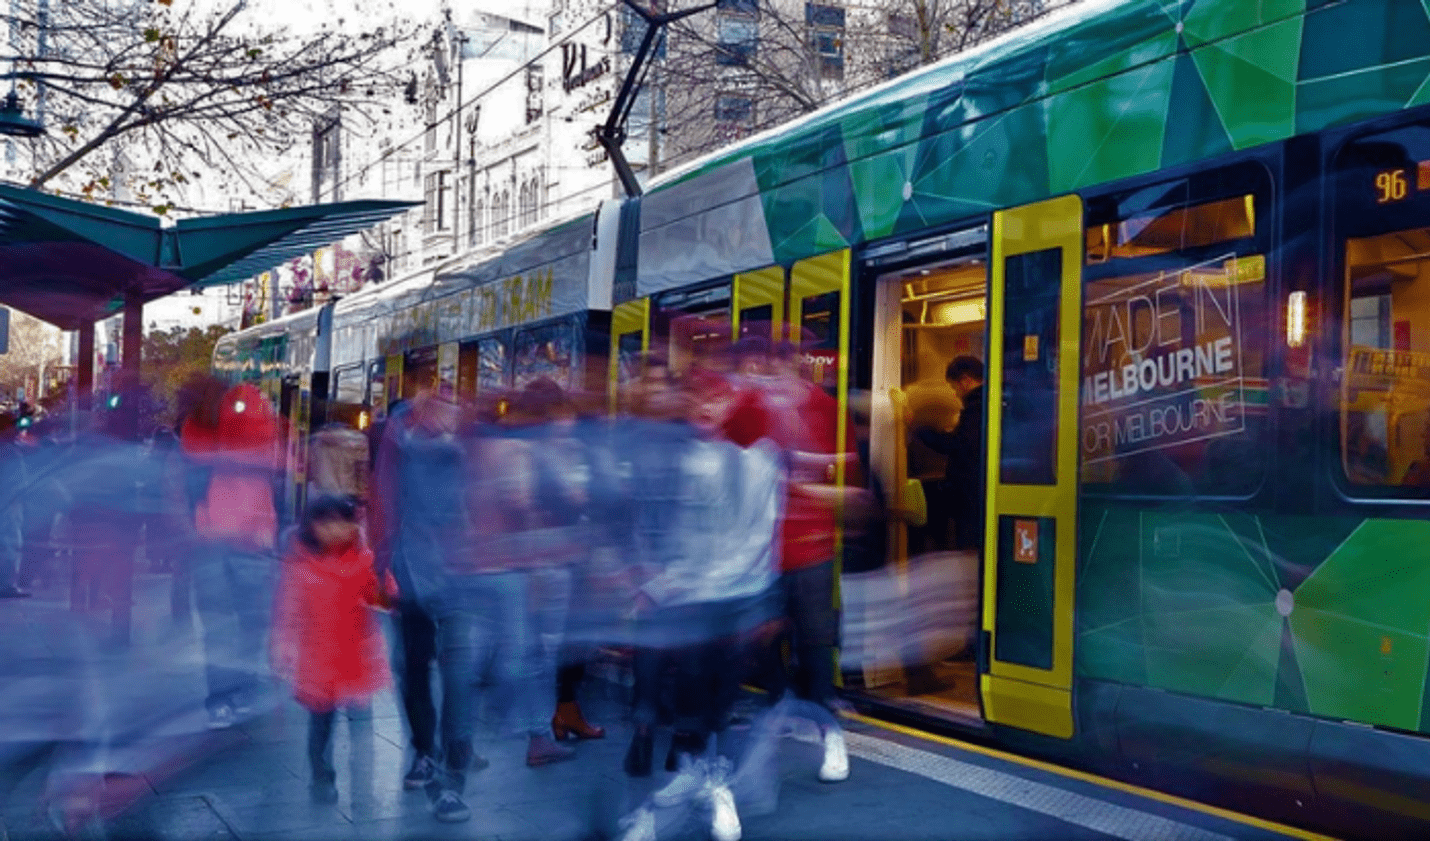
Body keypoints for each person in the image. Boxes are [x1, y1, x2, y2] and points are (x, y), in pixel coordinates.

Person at [722, 340, 852, 784]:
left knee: (816, 645)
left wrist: (814, 488)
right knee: (758, 639)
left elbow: (848, 475)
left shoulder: (825, 407)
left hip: (810, 546)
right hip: (760, 551)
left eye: (780, 365)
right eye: (765, 366)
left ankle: (828, 733)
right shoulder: (747, 407)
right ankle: (779, 704)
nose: (772, 375)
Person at [369, 389, 484, 823]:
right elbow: (383, 506)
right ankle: (425, 752)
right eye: (439, 407)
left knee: (457, 673)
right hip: (413, 573)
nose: (447, 416)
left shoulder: (467, 448)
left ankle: (451, 770)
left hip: (459, 577)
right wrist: (383, 566)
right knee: (413, 666)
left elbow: (483, 505)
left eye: (453, 409)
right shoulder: (399, 444)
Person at [270, 495, 395, 804]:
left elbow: (381, 599)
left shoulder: (363, 560)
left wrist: (387, 585)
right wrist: (282, 645)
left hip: (356, 658)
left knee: (361, 722)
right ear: (313, 527)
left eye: (345, 521)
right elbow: (289, 610)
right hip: (319, 660)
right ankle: (321, 775)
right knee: (321, 725)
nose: (338, 530)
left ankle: (364, 772)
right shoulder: (300, 565)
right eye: (329, 523)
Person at [180, 379, 282, 728]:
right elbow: (270, 456)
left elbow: (188, 477)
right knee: (251, 622)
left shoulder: (196, 429)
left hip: (210, 534)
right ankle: (242, 692)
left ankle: (220, 700)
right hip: (252, 536)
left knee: (218, 626)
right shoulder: (250, 414)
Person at [915, 356, 985, 551]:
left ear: (965, 381)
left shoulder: (977, 406)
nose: (955, 394)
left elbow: (957, 445)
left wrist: (920, 430)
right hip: (976, 493)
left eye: (954, 388)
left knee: (968, 547)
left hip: (970, 496)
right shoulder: (990, 402)